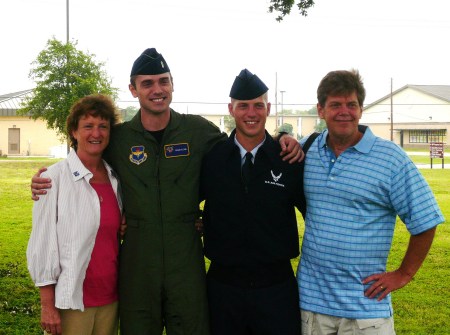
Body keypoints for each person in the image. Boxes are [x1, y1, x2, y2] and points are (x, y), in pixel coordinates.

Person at [30, 48, 303, 335]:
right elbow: (87, 154)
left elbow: (243, 142)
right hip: (137, 262)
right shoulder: (119, 138)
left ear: (173, 85)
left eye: (163, 81)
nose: (157, 89)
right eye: (147, 83)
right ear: (133, 89)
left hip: (185, 259)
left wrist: (282, 138)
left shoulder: (198, 132)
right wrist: (49, 177)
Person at [297, 69, 445, 335]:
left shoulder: (390, 158)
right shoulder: (308, 150)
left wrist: (403, 274)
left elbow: (425, 219)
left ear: (361, 109)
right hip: (313, 307)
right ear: (320, 110)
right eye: (335, 105)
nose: (345, 112)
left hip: (366, 309)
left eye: (351, 104)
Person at [200, 69, 303, 335]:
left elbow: (316, 211)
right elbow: (183, 199)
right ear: (231, 109)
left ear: (268, 108)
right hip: (224, 288)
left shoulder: (288, 159)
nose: (251, 113)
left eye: (258, 105)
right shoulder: (212, 159)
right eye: (243, 106)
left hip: (276, 288)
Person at [26, 94, 123, 335]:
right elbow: (43, 242)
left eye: (103, 126)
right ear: (73, 131)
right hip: (72, 301)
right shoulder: (53, 179)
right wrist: (47, 306)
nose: (96, 133)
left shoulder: (115, 178)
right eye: (88, 126)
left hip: (111, 298)